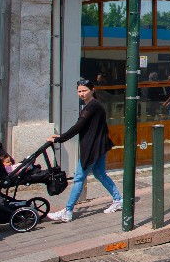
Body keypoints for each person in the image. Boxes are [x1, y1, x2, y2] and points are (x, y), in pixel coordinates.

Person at [47, 79, 122, 222]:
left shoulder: (92, 106)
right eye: (79, 91)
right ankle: (118, 199)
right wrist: (61, 137)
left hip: (93, 148)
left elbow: (78, 126)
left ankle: (68, 211)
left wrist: (60, 139)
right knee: (100, 174)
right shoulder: (93, 105)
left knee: (79, 178)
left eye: (84, 90)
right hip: (99, 146)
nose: (81, 94)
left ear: (92, 90)